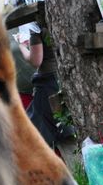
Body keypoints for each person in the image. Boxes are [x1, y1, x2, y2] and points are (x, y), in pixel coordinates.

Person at [17, 19, 70, 147]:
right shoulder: (59, 20)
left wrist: (22, 46)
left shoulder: (35, 28)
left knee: (40, 130)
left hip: (48, 83)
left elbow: (36, 60)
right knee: (63, 128)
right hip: (63, 78)